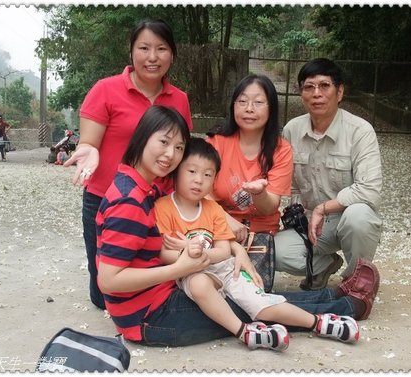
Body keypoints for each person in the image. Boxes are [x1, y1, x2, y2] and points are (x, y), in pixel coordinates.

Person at [96, 105, 380, 349]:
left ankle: (334, 296)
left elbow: (195, 221)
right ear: (143, 137)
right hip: (149, 317)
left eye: (179, 147)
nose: (170, 155)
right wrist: (179, 269)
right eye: (164, 142)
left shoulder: (146, 186)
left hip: (164, 294)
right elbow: (108, 281)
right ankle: (346, 307)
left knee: (254, 298)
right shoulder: (129, 201)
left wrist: (234, 249)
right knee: (251, 309)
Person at [155, 137, 359, 351]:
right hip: (189, 272)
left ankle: (318, 322)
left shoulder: (213, 209)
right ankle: (245, 332)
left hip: (225, 269)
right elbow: (163, 253)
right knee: (198, 283)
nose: (199, 180)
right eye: (192, 171)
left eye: (207, 175)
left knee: (261, 304)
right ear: (176, 171)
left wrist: (200, 254)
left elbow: (224, 251)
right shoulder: (164, 207)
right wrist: (187, 256)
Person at [64, 19, 193, 310]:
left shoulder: (180, 99)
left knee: (155, 277)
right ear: (131, 51)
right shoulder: (105, 90)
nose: (152, 57)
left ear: (171, 54)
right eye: (144, 48)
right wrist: (89, 151)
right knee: (103, 297)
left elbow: (179, 151)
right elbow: (88, 142)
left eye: (161, 49)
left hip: (155, 202)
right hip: (107, 200)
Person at [275, 58, 383, 292]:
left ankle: (357, 281)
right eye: (309, 87)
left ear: (340, 91)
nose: (317, 94)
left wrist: (324, 208)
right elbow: (291, 185)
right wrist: (299, 214)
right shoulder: (292, 129)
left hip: (347, 217)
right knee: (276, 252)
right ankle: (324, 265)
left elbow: (369, 190)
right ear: (301, 93)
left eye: (325, 86)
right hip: (312, 223)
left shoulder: (360, 131)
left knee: (359, 217)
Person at [206, 74, 292, 243]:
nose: (249, 109)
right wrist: (225, 220)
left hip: (261, 233)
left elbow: (269, 207)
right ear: (233, 106)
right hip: (218, 226)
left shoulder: (281, 149)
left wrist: (259, 193)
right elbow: (198, 192)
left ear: (271, 108)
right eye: (242, 101)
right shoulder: (215, 142)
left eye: (258, 102)